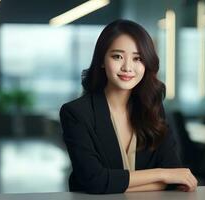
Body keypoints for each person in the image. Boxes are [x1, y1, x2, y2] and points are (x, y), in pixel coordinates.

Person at [60, 19, 197, 194]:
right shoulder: (76, 113)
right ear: (102, 60)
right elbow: (94, 181)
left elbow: (174, 176)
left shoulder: (152, 108)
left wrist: (114, 184)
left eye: (137, 58)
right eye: (117, 56)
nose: (127, 67)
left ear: (146, 63)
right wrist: (161, 175)